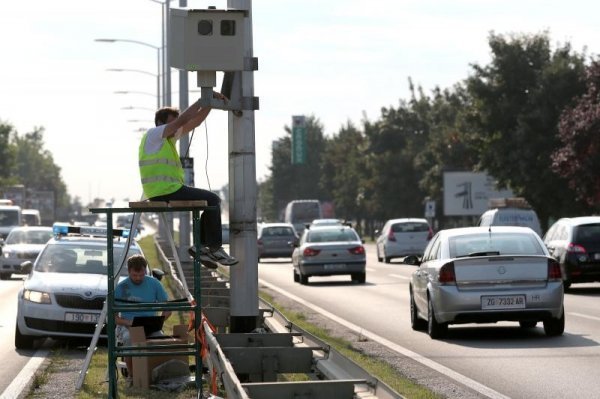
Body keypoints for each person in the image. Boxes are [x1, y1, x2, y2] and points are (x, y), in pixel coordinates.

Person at [138, 93, 237, 267]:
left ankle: (202, 247)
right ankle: (211, 247)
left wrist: (210, 104)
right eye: (172, 123)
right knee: (213, 199)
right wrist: (201, 100)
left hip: (166, 190)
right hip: (165, 191)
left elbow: (194, 122)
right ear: (161, 123)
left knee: (209, 201)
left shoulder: (166, 139)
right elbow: (182, 121)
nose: (176, 128)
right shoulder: (154, 135)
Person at [115, 254, 172, 383]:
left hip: (150, 326)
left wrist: (159, 320)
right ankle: (132, 376)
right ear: (129, 271)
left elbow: (168, 308)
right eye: (134, 275)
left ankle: (156, 375)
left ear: (145, 270)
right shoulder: (120, 288)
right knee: (130, 340)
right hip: (127, 326)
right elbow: (113, 317)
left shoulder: (154, 284)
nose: (138, 278)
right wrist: (127, 322)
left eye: (141, 275)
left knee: (161, 341)